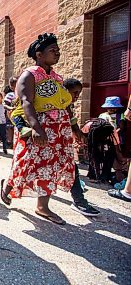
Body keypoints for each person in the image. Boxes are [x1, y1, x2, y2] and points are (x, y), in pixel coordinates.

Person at [0, 33, 74, 225]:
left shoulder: (56, 77)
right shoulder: (29, 75)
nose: (57, 53)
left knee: (50, 166)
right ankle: (8, 187)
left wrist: (75, 128)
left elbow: (64, 103)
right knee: (26, 162)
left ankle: (42, 207)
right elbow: (26, 102)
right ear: (39, 54)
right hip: (38, 127)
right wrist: (37, 128)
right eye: (52, 51)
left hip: (58, 130)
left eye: (58, 50)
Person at [61, 78, 100, 216]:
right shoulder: (58, 103)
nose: (77, 96)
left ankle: (79, 201)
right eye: (74, 93)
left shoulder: (68, 105)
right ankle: (8, 188)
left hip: (63, 144)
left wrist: (77, 132)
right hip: (52, 142)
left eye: (79, 93)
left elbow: (72, 120)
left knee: (72, 168)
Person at [108, 95, 131, 202]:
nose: (111, 109)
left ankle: (121, 177)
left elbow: (121, 127)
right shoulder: (103, 115)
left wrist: (113, 134)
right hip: (107, 141)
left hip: (118, 140)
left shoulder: (120, 115)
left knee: (119, 157)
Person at [4, 77, 18, 146]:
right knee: (11, 129)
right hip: (13, 115)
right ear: (11, 87)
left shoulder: (24, 93)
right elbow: (5, 105)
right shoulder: (10, 95)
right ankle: (10, 142)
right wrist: (11, 108)